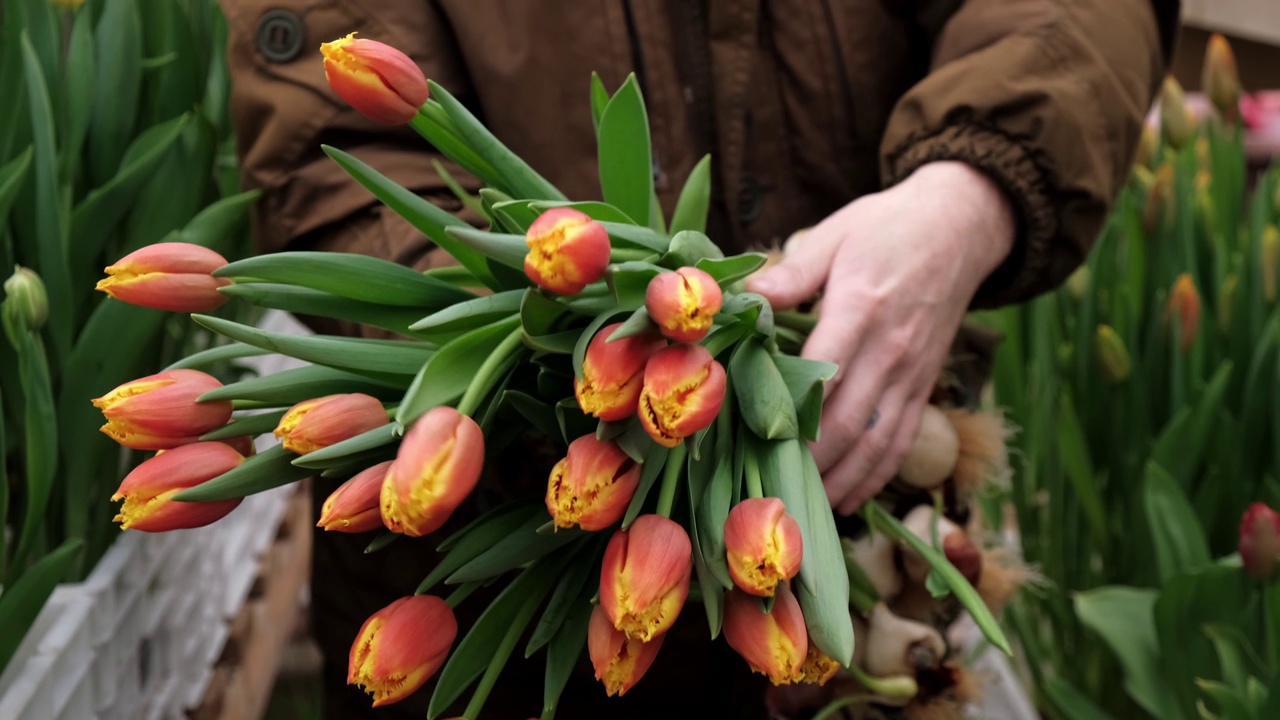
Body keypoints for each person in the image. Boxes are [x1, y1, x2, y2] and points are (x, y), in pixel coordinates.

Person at [217, 1, 1179, 717]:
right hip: (501, 553)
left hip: (860, 511)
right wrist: (542, 340)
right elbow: (327, 123)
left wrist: (970, 191)